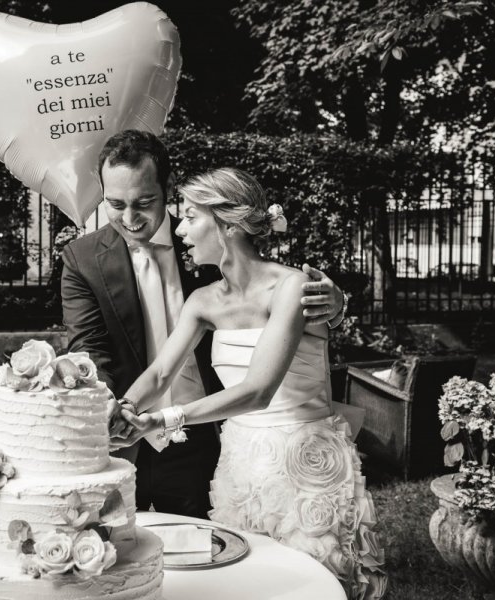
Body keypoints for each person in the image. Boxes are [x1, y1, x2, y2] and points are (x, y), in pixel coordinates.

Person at [112, 167, 386, 599]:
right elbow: (161, 373)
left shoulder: (292, 286)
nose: (179, 228)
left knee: (311, 582)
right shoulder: (203, 300)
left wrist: (161, 420)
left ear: (228, 224)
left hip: (304, 461)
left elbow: (260, 390)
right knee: (247, 583)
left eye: (190, 217)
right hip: (240, 462)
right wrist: (122, 408)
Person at [60, 130, 347, 520]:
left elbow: (276, 350)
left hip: (214, 439)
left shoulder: (213, 252)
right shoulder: (86, 259)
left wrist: (336, 306)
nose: (130, 218)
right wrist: (121, 409)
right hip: (148, 440)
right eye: (115, 204)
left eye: (145, 202)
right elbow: (143, 366)